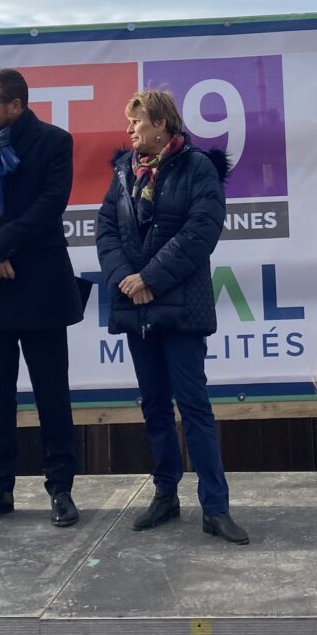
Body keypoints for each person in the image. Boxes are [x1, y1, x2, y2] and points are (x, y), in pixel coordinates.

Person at [95, 88, 249, 544]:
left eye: (136, 123)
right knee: (155, 407)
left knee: (194, 407)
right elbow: (105, 229)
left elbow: (201, 230)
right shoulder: (124, 170)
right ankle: (165, 495)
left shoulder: (198, 167)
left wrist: (150, 279)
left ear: (161, 124)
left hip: (179, 308)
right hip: (135, 306)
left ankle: (215, 509)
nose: (129, 131)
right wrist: (125, 276)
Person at [0, 68, 84, 529]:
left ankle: (61, 489)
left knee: (51, 393)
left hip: (39, 281)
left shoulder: (52, 141)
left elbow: (50, 203)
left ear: (16, 105)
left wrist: (1, 245)